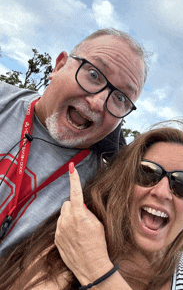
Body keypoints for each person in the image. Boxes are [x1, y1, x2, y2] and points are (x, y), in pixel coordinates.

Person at [1, 121, 183, 290]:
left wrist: (97, 270)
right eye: (146, 172)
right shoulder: (73, 242)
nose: (162, 192)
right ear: (125, 183)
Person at [0, 28, 147, 254]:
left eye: (120, 98)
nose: (99, 103)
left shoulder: (102, 192)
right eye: (94, 74)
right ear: (59, 66)